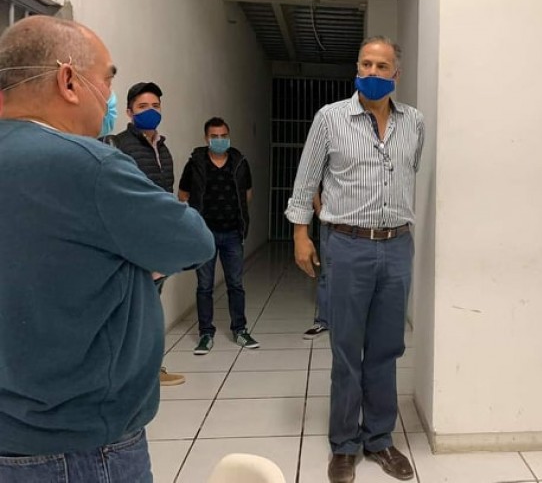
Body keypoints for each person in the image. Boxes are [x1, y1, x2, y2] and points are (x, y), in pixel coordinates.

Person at [0, 15, 215, 482]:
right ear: (69, 81)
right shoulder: (89, 165)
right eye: (107, 81)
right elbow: (194, 241)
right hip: (79, 443)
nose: (110, 99)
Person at [286, 36, 424, 483]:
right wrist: (301, 234)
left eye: (382, 66)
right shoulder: (330, 118)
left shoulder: (414, 122)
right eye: (366, 64)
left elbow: (409, 172)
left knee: (386, 348)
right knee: (346, 348)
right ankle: (344, 444)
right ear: (357, 69)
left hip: (397, 245)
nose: (372, 72)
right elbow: (306, 180)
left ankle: (379, 439)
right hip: (347, 245)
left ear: (396, 74)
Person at [103, 81, 184, 386]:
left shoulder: (164, 148)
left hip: (159, 244)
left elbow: (167, 196)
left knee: (149, 311)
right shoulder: (118, 145)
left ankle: (148, 371)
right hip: (131, 245)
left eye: (155, 106)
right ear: (128, 112)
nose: (150, 112)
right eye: (142, 107)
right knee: (128, 313)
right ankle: (126, 375)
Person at [178, 117, 259, 354]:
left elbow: (247, 194)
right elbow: (183, 194)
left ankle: (240, 330)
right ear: (206, 138)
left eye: (224, 136)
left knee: (236, 284)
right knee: (205, 286)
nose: (220, 140)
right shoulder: (195, 164)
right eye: (214, 136)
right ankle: (206, 333)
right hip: (204, 235)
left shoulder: (239, 162)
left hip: (233, 233)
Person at [303, 187, 330, 340]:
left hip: (361, 224)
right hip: (331, 222)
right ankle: (323, 321)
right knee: (327, 273)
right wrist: (319, 210)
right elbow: (312, 183)